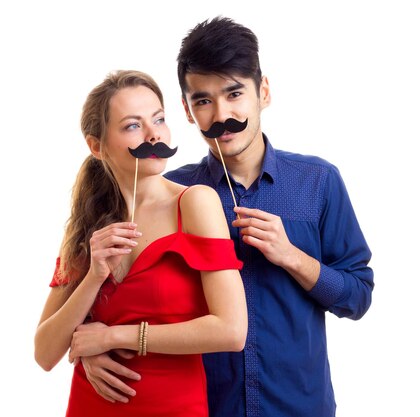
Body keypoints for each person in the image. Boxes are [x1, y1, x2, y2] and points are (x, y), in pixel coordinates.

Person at [82, 17, 374, 417]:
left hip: (299, 406)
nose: (222, 114)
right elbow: (117, 299)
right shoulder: (173, 195)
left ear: (263, 92)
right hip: (206, 407)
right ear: (186, 110)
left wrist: (293, 256)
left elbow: (358, 297)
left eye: (235, 93)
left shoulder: (319, 182)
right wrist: (91, 351)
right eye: (203, 100)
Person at [34, 69, 248, 417]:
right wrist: (94, 275)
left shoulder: (195, 203)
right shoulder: (87, 224)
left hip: (176, 407)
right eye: (133, 125)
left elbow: (231, 330)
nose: (154, 134)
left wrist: (112, 337)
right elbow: (45, 353)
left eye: (159, 119)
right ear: (96, 146)